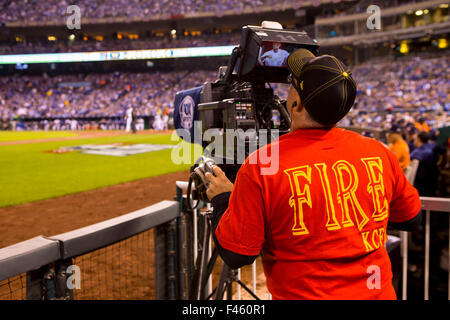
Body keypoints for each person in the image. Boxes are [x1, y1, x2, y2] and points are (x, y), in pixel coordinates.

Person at [205, 49, 422, 300]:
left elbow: (237, 254)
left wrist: (223, 199)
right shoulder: (378, 152)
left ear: (296, 103)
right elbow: (411, 218)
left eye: (291, 85)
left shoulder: (262, 164)